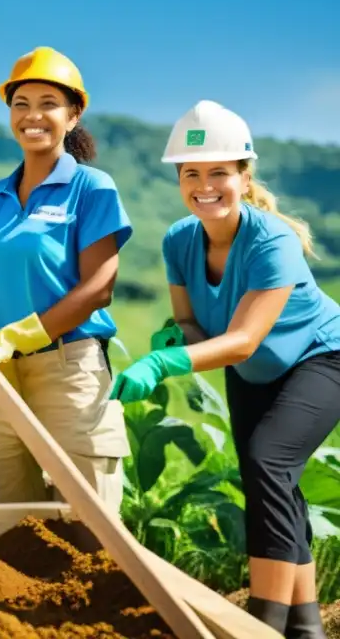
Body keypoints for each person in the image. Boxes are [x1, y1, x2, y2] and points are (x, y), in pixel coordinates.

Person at [112, 100, 339, 638]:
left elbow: (241, 340)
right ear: (178, 179)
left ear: (243, 175)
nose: (204, 185)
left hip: (319, 358)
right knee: (271, 484)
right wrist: (176, 338)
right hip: (255, 370)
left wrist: (163, 361)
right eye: (192, 173)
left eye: (219, 172)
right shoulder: (178, 241)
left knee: (267, 463)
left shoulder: (272, 240)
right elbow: (194, 326)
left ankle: (261, 624)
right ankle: (305, 630)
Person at [0, 46, 133, 513]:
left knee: (89, 523)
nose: (32, 115)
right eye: (21, 104)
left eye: (48, 103)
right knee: (11, 526)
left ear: (73, 114)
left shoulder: (91, 187)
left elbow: (99, 286)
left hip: (69, 370)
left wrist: (22, 337)